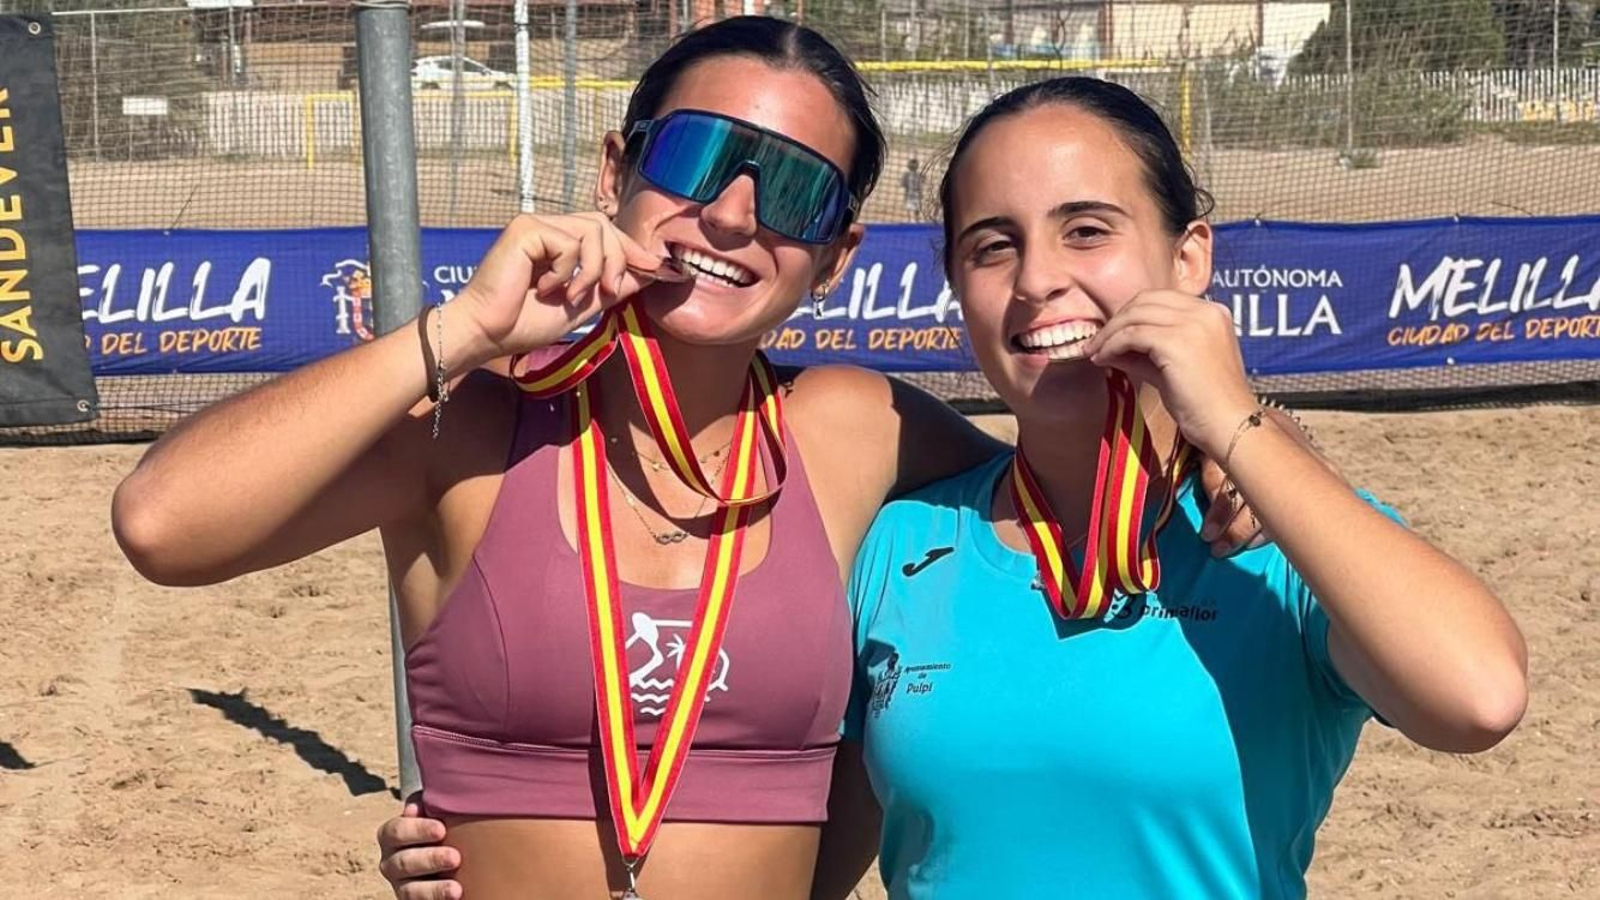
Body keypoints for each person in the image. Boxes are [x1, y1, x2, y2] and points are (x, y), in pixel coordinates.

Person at [113, 18, 1265, 900]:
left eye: (798, 190)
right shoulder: (473, 425)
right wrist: (461, 329)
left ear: (838, 255)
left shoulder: (855, 430)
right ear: (619, 168)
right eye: (700, 156)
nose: (730, 216)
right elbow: (162, 524)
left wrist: (1251, 439)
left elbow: (1080, 468)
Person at [816, 77, 1527, 898]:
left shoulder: (1280, 543)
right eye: (992, 245)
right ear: (956, 285)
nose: (1037, 277)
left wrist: (1239, 422)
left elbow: (1481, 698)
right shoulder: (900, 544)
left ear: (1188, 256)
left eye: (1086, 230)